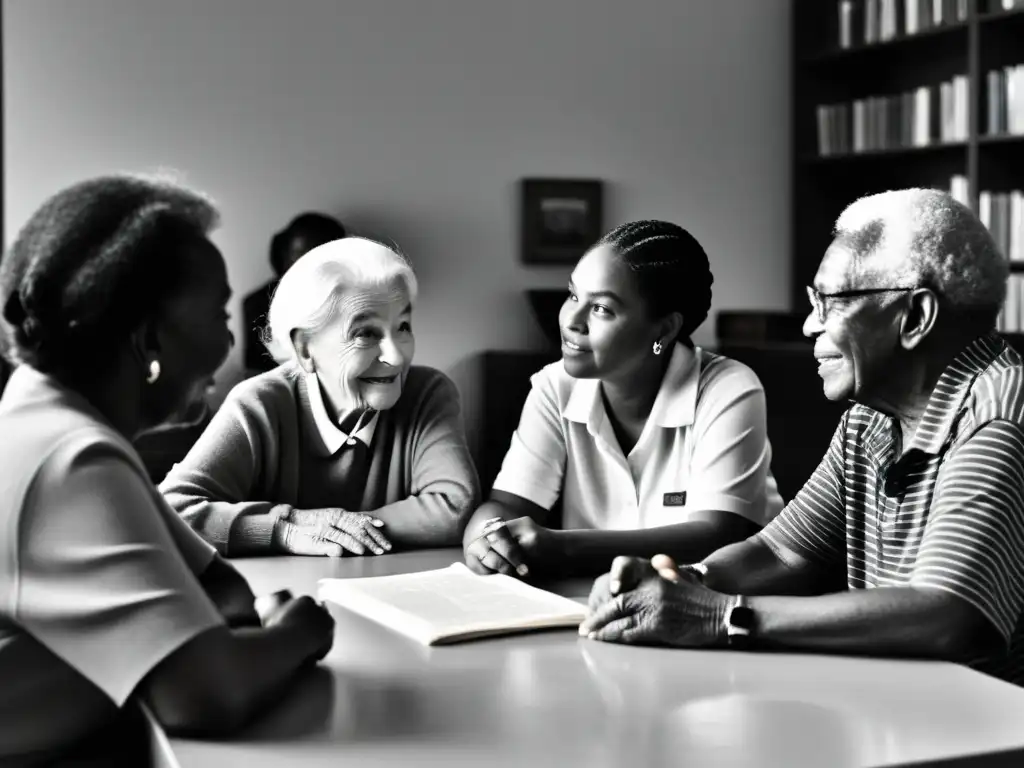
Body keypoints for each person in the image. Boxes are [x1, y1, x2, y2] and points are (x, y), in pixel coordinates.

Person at [581, 189, 1024, 687]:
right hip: (903, 712)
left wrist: (719, 615)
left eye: (831, 302)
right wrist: (682, 580)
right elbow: (781, 552)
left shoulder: (999, 415)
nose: (810, 325)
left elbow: (948, 614)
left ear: (916, 317)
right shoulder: (869, 420)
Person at [0, 175, 335, 765]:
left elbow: (222, 592)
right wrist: (300, 633)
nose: (231, 341)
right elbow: (203, 695)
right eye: (216, 314)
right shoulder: (71, 455)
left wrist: (222, 633)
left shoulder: (49, 413)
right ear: (149, 337)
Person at [462, 220, 784, 580]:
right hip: (589, 604)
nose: (572, 321)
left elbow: (718, 535)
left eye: (601, 308)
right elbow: (507, 504)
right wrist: (489, 539)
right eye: (572, 296)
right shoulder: (555, 386)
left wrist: (563, 547)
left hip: (715, 605)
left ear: (663, 329)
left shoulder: (729, 388)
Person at [160, 237, 480, 557]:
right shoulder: (258, 404)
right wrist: (285, 529)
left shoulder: (427, 393)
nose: (396, 357)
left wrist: (344, 528)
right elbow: (171, 513)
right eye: (366, 333)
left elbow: (455, 507)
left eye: (404, 326)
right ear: (305, 349)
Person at [242, 212, 347, 373]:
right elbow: (254, 373)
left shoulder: (353, 300)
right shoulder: (258, 304)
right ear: (284, 256)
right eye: (300, 256)